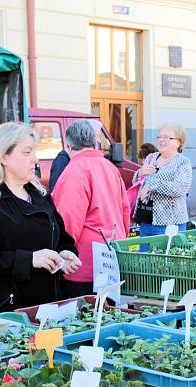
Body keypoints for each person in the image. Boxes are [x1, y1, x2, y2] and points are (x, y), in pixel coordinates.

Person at [0, 122, 82, 318]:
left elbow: (61, 237)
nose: (35, 159)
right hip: (2, 312)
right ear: (4, 156)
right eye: (27, 152)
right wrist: (29, 259)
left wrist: (65, 253)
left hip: (46, 309)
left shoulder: (39, 195)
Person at [52, 120, 130, 297]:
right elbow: (125, 211)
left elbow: (67, 222)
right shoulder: (110, 167)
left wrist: (61, 253)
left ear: (69, 145)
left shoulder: (75, 171)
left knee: (84, 318)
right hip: (111, 256)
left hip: (83, 264)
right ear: (94, 142)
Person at [133, 124, 192, 236]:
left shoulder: (182, 162)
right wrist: (139, 173)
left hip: (169, 223)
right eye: (159, 137)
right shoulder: (151, 157)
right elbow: (138, 183)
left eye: (166, 137)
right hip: (145, 220)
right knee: (144, 254)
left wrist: (152, 185)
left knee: (163, 253)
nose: (161, 140)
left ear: (178, 142)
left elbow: (180, 188)